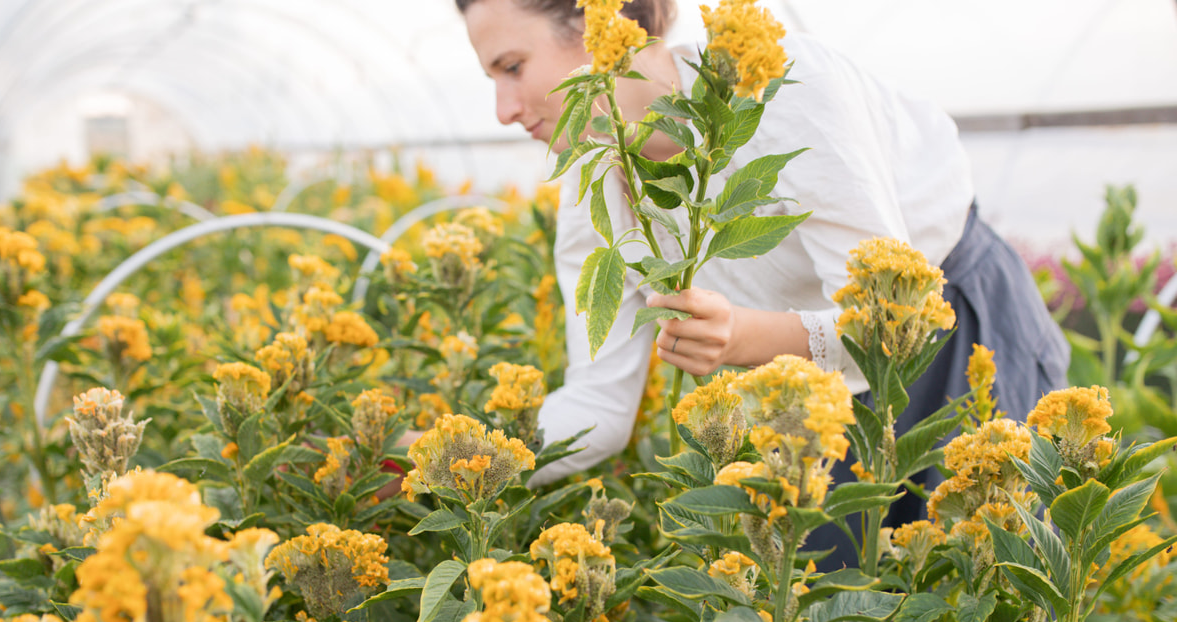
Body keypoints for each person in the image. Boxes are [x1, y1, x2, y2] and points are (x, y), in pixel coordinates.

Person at [458, 0, 1069, 563]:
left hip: (952, 337)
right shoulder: (591, 181)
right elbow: (600, 404)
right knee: (833, 616)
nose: (503, 111)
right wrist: (447, 460)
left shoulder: (781, 87)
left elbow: (888, 326)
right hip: (802, 392)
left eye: (512, 67)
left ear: (600, 25)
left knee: (993, 587)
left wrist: (741, 338)